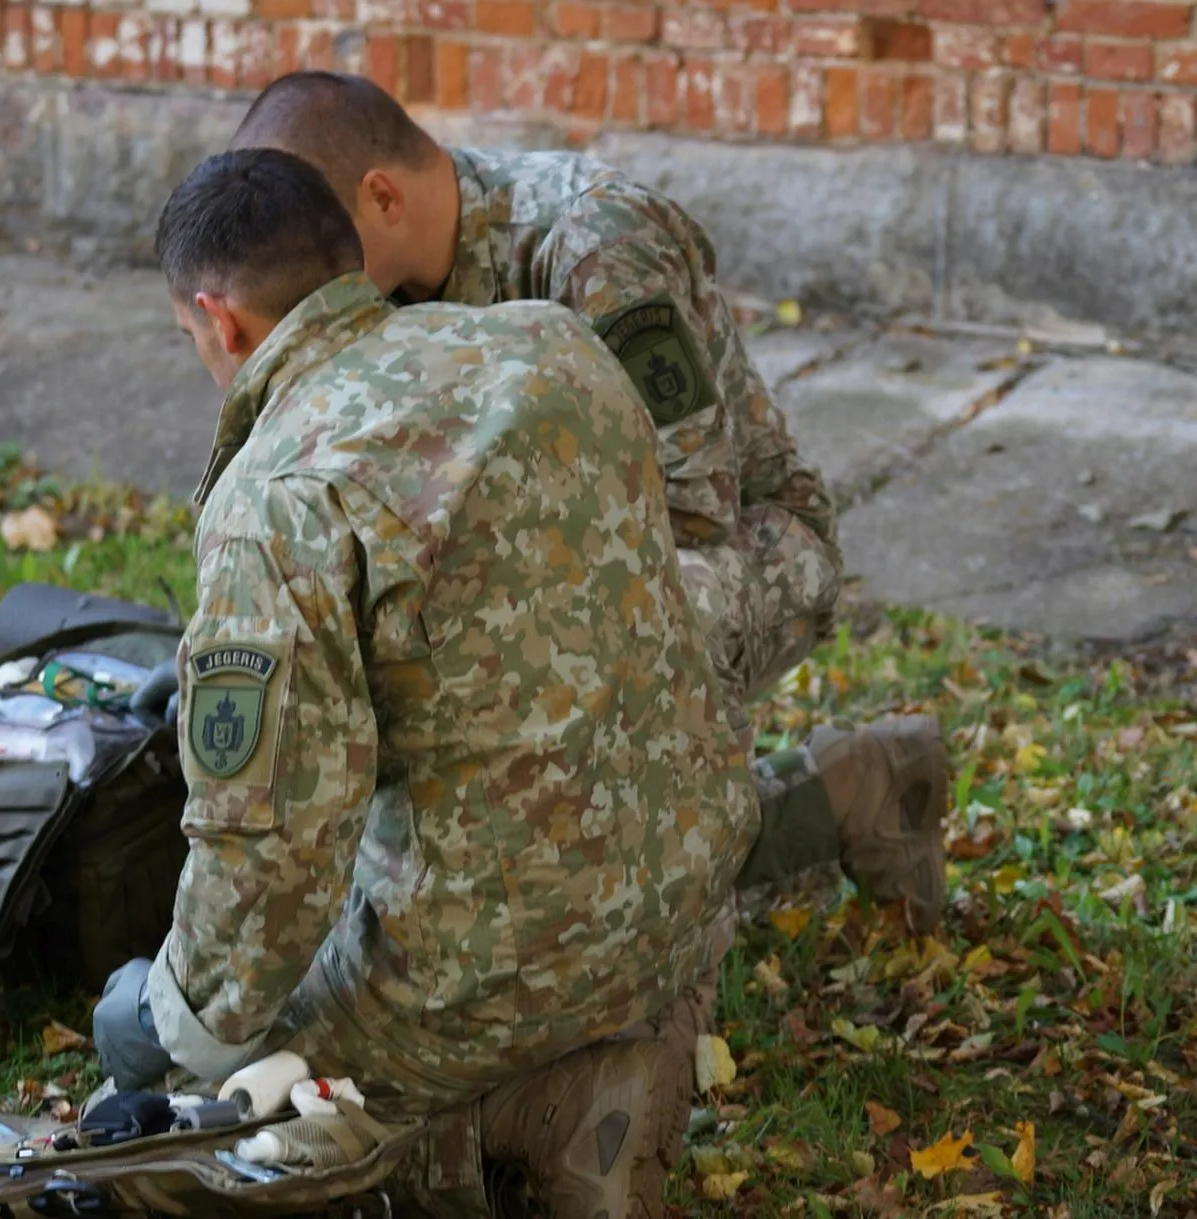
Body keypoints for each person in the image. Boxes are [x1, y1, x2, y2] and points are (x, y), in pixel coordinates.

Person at [99, 146, 760, 1217]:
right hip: (687, 899)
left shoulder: (278, 496)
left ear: (220, 321)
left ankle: (510, 1129)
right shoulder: (550, 341)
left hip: (495, 970)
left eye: (192, 337)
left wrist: (165, 1018)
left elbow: (269, 857)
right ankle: (597, 1066)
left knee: (182, 1112)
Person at [226, 71, 950, 935]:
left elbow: (693, 501)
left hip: (743, 545)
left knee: (543, 703)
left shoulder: (592, 241)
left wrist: (493, 627)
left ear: (381, 198)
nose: (304, 276)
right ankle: (840, 790)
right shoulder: (386, 283)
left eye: (316, 237)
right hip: (555, 563)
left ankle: (751, 857)